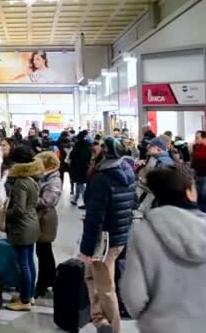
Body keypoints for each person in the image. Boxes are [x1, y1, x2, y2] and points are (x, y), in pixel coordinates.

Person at [121, 168, 206, 333]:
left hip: (160, 326)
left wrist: (148, 317)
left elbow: (134, 295)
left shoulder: (143, 232)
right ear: (188, 193)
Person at [79, 137, 136, 333]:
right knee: (90, 277)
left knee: (104, 288)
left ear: (107, 152)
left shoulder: (102, 178)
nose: (95, 148)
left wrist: (86, 249)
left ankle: (114, 328)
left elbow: (95, 218)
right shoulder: (127, 171)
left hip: (103, 241)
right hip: (118, 235)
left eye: (100, 146)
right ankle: (100, 320)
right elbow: (130, 204)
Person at [4, 145, 44, 311]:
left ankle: (25, 300)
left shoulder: (21, 182)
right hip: (32, 224)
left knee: (23, 264)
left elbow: (18, 210)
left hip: (22, 227)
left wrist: (6, 211)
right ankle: (29, 295)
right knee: (29, 262)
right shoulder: (32, 178)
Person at [34, 151, 62, 299]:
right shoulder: (44, 177)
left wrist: (30, 198)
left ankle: (43, 283)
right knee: (43, 251)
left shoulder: (54, 180)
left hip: (45, 219)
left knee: (44, 252)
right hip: (40, 217)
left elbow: (47, 201)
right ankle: (48, 279)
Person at [69, 131, 92, 206]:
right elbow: (89, 156)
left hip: (77, 167)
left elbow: (72, 156)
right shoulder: (88, 145)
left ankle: (86, 202)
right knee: (79, 183)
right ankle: (75, 199)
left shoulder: (77, 146)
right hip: (85, 167)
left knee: (80, 184)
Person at [192, 130, 206, 212]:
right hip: (197, 174)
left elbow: (197, 156)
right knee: (199, 195)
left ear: (204, 138)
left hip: (204, 175)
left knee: (203, 195)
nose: (195, 139)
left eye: (197, 138)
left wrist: (194, 153)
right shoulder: (198, 147)